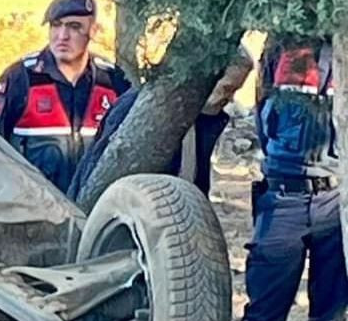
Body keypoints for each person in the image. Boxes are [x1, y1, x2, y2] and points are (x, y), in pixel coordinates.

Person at [238, 37, 347, 321]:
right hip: (282, 195)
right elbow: (264, 111)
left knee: (331, 311)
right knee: (264, 310)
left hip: (338, 199)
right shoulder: (284, 45)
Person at [0, 0, 131, 189]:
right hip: (36, 209)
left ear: (93, 31)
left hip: (95, 210)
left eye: (74, 27)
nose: (62, 36)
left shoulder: (113, 82)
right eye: (56, 25)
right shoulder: (21, 78)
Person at [67, 48, 253, 204]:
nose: (229, 99)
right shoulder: (136, 107)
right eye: (227, 89)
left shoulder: (204, 122)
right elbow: (93, 170)